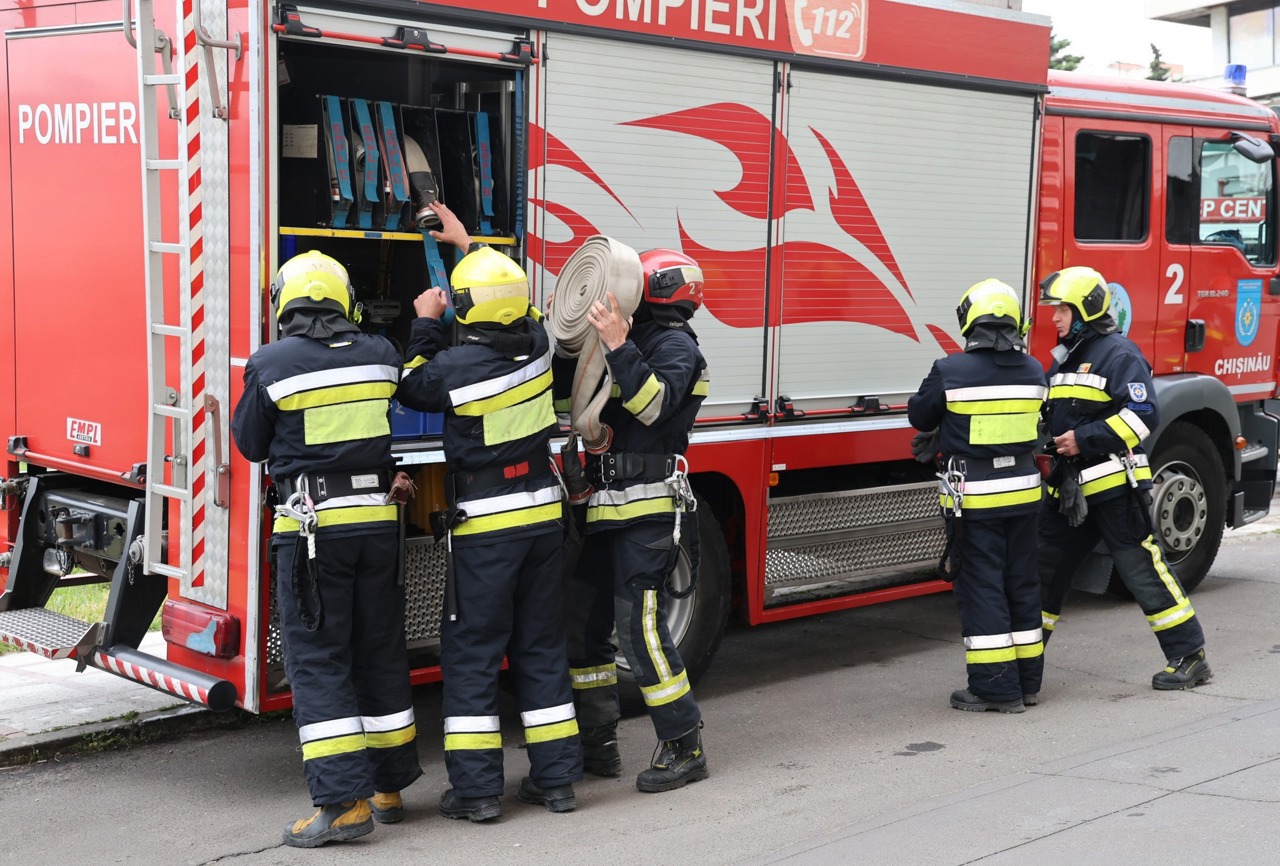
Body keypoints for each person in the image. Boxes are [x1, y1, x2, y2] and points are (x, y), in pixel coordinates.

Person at [398, 201, 583, 821]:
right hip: (542, 519)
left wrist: (426, 320)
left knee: (474, 653)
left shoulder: (453, 367)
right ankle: (556, 781)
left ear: (463, 309)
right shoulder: (538, 343)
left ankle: (477, 793)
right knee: (540, 647)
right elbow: (511, 303)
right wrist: (468, 244)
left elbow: (413, 382)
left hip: (487, 528)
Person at [231, 250, 421, 848]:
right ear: (345, 301)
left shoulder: (272, 364)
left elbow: (251, 444)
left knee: (318, 661)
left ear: (284, 303)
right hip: (376, 528)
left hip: (314, 532)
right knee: (379, 651)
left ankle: (342, 804)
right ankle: (389, 789)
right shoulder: (381, 355)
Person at [555, 248, 713, 792]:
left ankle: (684, 743)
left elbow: (652, 406)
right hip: (604, 508)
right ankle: (597, 743)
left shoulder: (676, 347)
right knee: (581, 624)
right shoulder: (637, 340)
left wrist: (620, 344)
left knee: (640, 629)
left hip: (646, 513)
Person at [1037, 266, 1212, 690]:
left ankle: (1190, 658)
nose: (1054, 318)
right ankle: (1022, 663)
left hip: (1114, 488)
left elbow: (1143, 415)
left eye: (1062, 309)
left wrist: (1085, 438)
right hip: (1070, 492)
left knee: (1143, 571)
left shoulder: (1120, 354)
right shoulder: (1065, 361)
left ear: (1084, 310)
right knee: (1042, 570)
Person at [908, 279, 1048, 713]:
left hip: (977, 500)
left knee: (983, 586)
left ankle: (995, 689)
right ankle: (1027, 684)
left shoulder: (950, 369)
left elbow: (919, 414)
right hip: (1024, 495)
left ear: (970, 321)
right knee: (1021, 583)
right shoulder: (1034, 370)